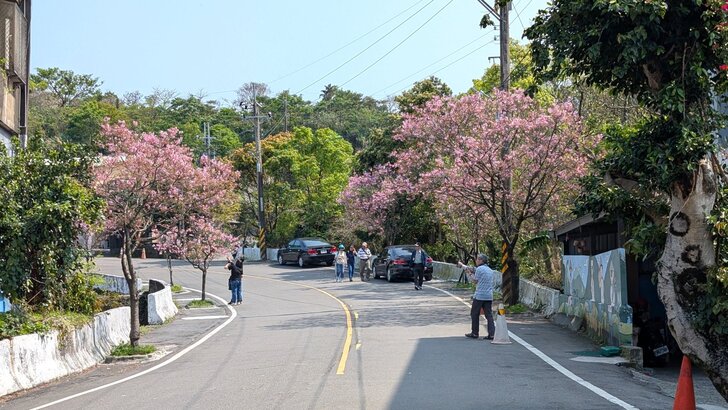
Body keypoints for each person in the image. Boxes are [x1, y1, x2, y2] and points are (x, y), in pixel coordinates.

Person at [458, 254, 496, 340]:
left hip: (480, 296)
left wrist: (469, 274)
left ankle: (475, 333)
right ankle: (492, 334)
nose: (476, 261)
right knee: (489, 315)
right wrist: (463, 266)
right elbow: (472, 269)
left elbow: (475, 280)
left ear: (481, 260)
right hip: (489, 296)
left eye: (478, 259)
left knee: (474, 314)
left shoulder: (479, 269)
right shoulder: (490, 270)